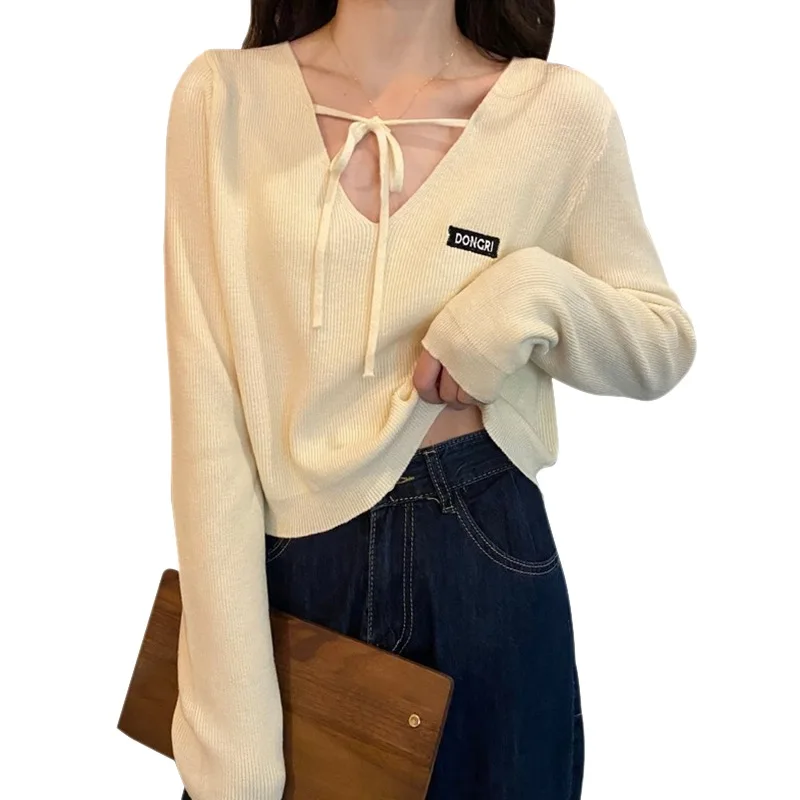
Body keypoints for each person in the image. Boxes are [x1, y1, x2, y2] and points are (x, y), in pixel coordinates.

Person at [166, 1, 696, 798]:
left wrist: (528, 296)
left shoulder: (559, 114)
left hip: (483, 553)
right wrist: (230, 738)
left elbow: (661, 342)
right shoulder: (223, 99)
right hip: (291, 571)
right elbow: (208, 419)